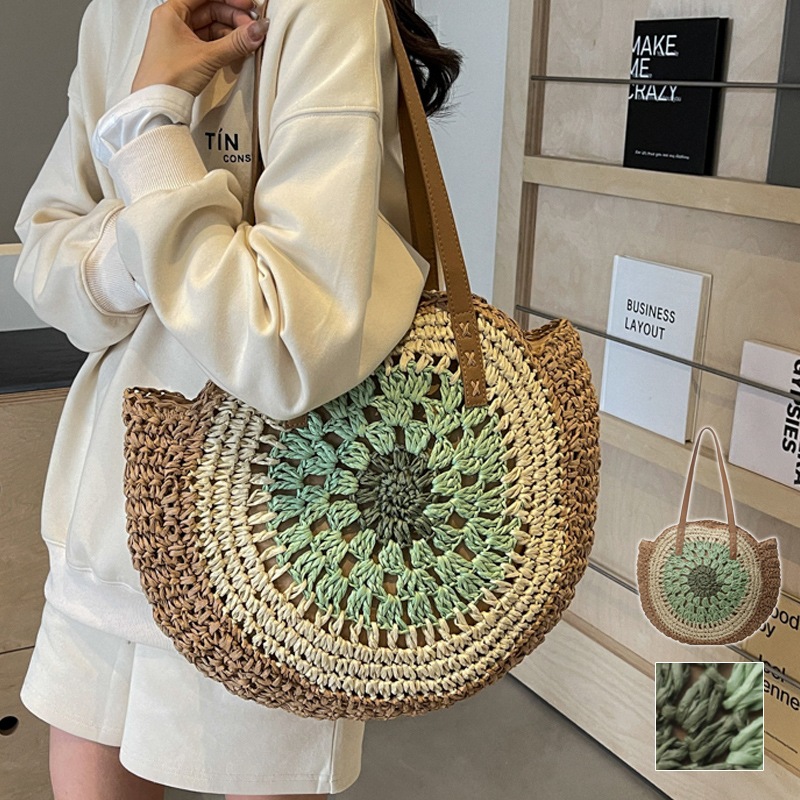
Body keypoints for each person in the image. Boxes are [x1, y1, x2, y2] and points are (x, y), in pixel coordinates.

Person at [13, 0, 461, 798]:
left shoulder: (325, 13)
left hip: (275, 547)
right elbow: (46, 261)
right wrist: (147, 238)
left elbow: (283, 345)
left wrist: (150, 129)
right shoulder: (117, 12)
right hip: (103, 535)